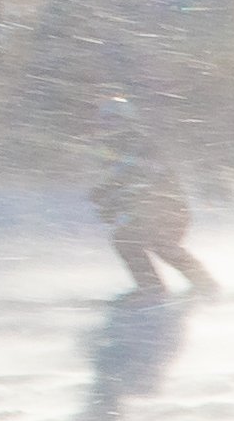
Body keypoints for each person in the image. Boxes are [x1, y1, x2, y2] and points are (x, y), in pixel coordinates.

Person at [89, 92, 216, 296]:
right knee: (132, 240)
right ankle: (155, 287)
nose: (106, 125)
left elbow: (144, 181)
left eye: (111, 120)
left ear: (126, 120)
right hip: (153, 212)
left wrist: (113, 197)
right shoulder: (112, 148)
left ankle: (184, 285)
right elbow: (122, 182)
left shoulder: (140, 145)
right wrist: (107, 199)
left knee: (155, 243)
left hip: (169, 209)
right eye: (103, 120)